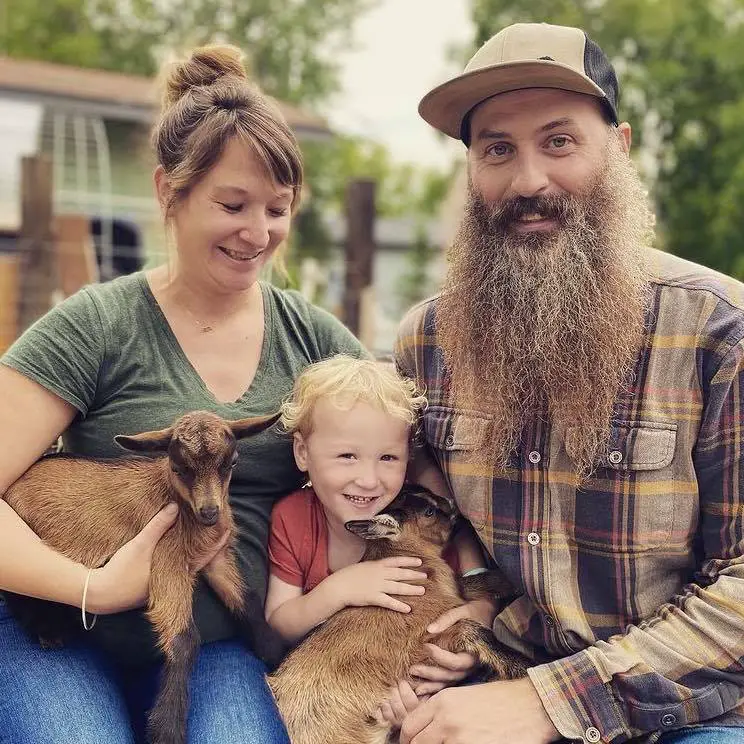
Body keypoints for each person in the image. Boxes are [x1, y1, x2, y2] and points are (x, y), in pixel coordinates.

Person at [0, 45, 367, 744]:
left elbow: (410, 462)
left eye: (278, 209)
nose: (258, 233)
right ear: (169, 190)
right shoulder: (97, 326)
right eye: (232, 204)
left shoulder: (314, 340)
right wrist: (99, 589)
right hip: (59, 633)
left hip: (216, 645)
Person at [392, 21, 744, 744]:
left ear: (617, 149)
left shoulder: (719, 333)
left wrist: (554, 704)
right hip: (488, 683)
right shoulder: (426, 345)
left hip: (679, 710)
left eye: (559, 142)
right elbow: (418, 522)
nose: (528, 182)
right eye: (497, 149)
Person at [264, 354, 495, 648]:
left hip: (424, 659)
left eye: (388, 457)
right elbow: (280, 623)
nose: (369, 480)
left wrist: (482, 610)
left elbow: (462, 539)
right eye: (347, 456)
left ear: (408, 457)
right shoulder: (293, 517)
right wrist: (337, 590)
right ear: (302, 452)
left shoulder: (414, 515)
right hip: (346, 671)